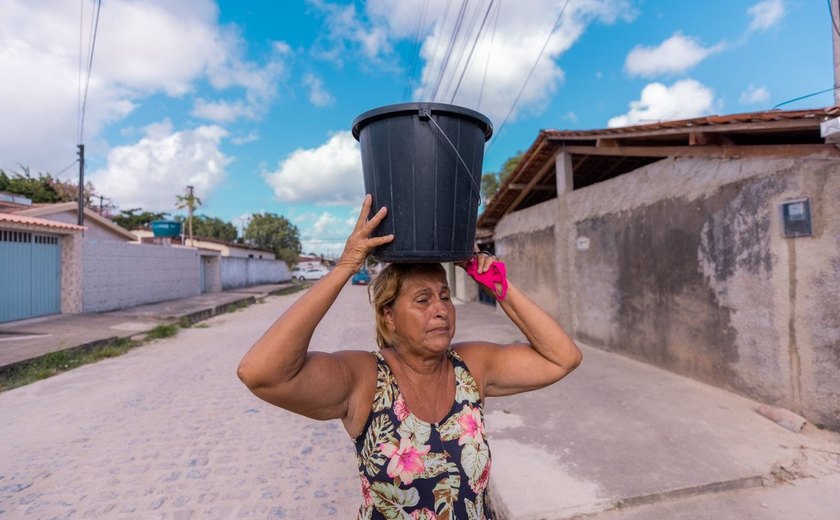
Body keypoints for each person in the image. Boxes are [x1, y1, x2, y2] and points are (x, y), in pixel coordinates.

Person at [237, 195, 582, 519]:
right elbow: (261, 372)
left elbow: (562, 357)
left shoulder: (471, 366)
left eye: (444, 297)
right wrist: (345, 267)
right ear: (389, 316)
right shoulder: (367, 379)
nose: (441, 310)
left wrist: (494, 283)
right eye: (422, 300)